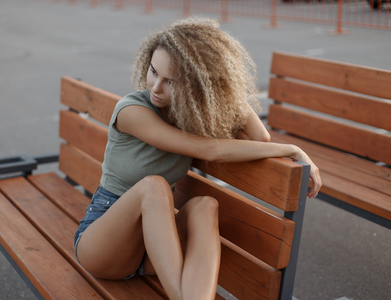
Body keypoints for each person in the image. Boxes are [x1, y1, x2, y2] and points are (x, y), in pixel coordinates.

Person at [75, 17, 321, 300]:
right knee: (153, 186)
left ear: (195, 85)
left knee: (206, 205)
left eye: (171, 81)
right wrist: (291, 149)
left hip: (153, 250)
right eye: (153, 72)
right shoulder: (132, 110)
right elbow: (210, 150)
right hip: (103, 241)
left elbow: (259, 137)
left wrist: (219, 83)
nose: (156, 87)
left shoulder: (191, 117)